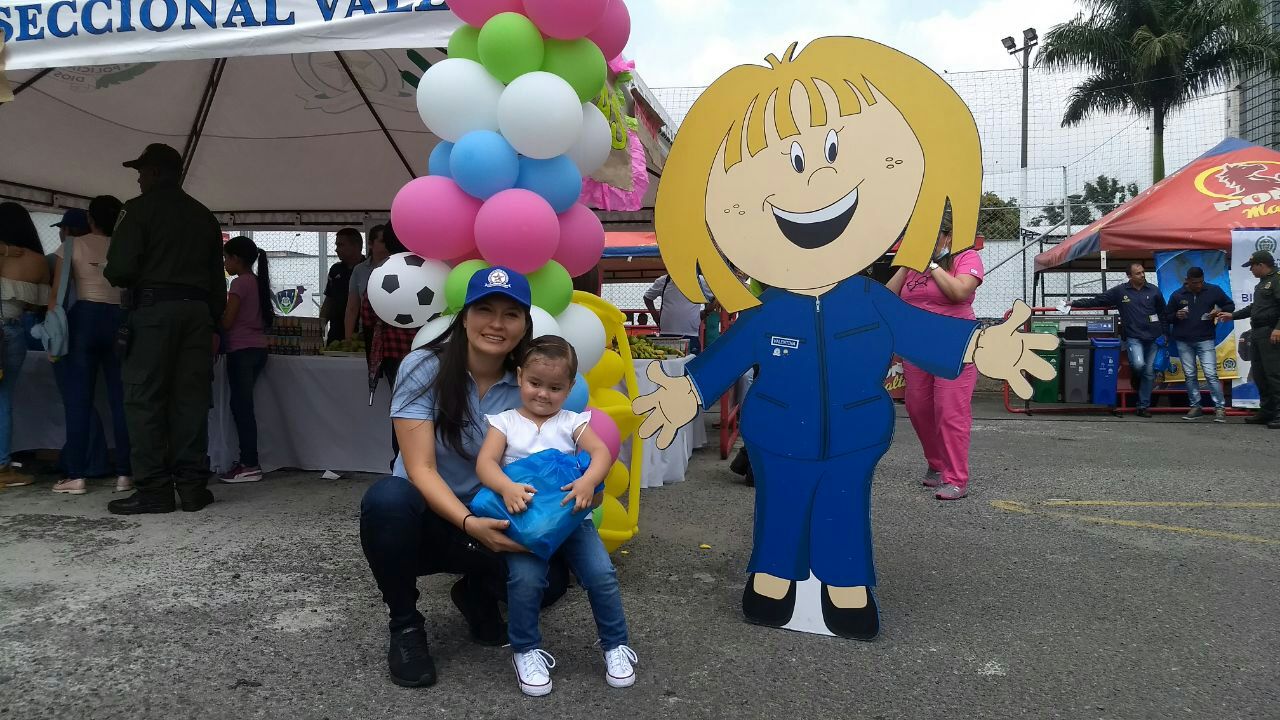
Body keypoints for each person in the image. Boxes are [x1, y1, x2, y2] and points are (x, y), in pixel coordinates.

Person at [633, 39, 1055, 642]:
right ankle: (772, 578)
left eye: (834, 151)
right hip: (777, 433)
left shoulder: (873, 299)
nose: (816, 180)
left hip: (855, 433)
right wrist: (683, 393)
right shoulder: (766, 311)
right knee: (780, 504)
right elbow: (726, 358)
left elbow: (928, 332)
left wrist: (985, 347)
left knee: (841, 506)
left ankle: (846, 586)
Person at [358, 266, 570, 689]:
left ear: (525, 324)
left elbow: (552, 462)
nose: (496, 323)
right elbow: (420, 469)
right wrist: (471, 525)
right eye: (484, 310)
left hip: (492, 513)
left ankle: (475, 593)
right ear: (464, 316)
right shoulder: (424, 366)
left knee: (555, 584)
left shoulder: (531, 383)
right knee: (387, 501)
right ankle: (405, 627)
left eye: (511, 314)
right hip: (427, 522)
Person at [476, 335, 636, 697]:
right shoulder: (504, 422)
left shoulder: (572, 422)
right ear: (519, 378)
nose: (543, 394)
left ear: (570, 388)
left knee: (601, 575)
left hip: (572, 518)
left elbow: (600, 453)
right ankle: (525, 649)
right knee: (526, 582)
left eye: (555, 387)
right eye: (535, 383)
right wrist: (506, 487)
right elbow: (485, 463)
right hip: (526, 525)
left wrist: (587, 483)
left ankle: (615, 644)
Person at [104, 143, 226, 515]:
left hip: (154, 312)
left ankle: (155, 490)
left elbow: (120, 269)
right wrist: (211, 320)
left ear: (156, 172)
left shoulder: (137, 209)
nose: (138, 179)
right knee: (190, 400)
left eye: (142, 172)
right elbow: (217, 282)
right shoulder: (204, 216)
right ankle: (192, 489)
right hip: (198, 315)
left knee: (144, 399)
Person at [886, 208, 984, 500]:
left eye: (931, 235)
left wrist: (932, 264)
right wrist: (906, 264)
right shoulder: (913, 267)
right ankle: (936, 464)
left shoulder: (966, 258)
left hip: (956, 344)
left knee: (949, 411)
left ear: (947, 236)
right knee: (917, 407)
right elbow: (887, 298)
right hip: (918, 345)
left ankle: (956, 478)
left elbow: (959, 293)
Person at [47, 196, 133, 495]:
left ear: (90, 219)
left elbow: (57, 294)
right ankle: (125, 473)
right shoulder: (126, 247)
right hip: (118, 320)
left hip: (83, 319)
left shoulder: (72, 245)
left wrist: (52, 335)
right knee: (121, 400)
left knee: (78, 400)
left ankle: (76, 475)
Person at [1069, 263, 1166, 417]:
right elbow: (1098, 300)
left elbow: (1162, 313)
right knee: (1139, 365)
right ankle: (1136, 377)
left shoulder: (1154, 290)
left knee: (1149, 373)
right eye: (1138, 273)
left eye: (1143, 272)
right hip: (1134, 337)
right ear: (1129, 276)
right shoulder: (1120, 291)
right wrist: (1074, 303)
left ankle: (1142, 406)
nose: (1142, 275)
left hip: (1154, 338)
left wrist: (1164, 334)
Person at [0, 202, 51, 488]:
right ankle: (2, 467)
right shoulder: (37, 262)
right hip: (13, 329)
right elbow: (36, 304)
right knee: (3, 398)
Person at [218, 236, 274, 483]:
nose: (225, 263)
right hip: (259, 348)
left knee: (241, 407)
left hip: (240, 350)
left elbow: (228, 321)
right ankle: (247, 461)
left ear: (236, 259)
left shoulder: (239, 284)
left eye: (226, 257)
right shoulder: (257, 281)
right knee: (245, 405)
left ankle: (249, 463)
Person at [361, 224, 417, 462]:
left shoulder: (380, 274)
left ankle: (401, 461)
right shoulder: (433, 270)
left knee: (404, 410)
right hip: (432, 352)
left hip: (394, 356)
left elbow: (367, 315)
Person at [1216, 251, 1280, 428]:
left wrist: (1278, 329)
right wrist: (1232, 315)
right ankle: (1267, 412)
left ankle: (1279, 414)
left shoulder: (1277, 279)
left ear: (1261, 265)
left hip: (1271, 332)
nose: (1251, 270)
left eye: (1252, 266)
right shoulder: (1262, 283)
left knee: (1274, 375)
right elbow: (1255, 308)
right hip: (1258, 333)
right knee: (1259, 375)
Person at [1165, 266, 1234, 422]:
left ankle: (1220, 409)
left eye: (1201, 282)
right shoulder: (1177, 295)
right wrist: (1176, 315)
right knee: (1190, 375)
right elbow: (1167, 316)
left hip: (1205, 339)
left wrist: (1217, 310)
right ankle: (1195, 407)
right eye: (1195, 283)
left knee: (1211, 374)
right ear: (1187, 281)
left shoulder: (1214, 290)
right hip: (1183, 341)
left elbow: (1230, 306)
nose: (1199, 285)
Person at [643, 273, 714, 354]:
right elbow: (647, 297)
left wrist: (705, 312)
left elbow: (716, 298)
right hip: (667, 335)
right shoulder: (664, 280)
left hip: (690, 335)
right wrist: (655, 317)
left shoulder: (700, 281)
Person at [321, 227, 364, 346]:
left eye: (340, 245)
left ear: (355, 246)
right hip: (336, 331)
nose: (336, 249)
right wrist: (320, 325)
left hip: (360, 333)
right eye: (336, 245)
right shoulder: (335, 270)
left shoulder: (368, 269)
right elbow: (329, 300)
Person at [344, 223, 386, 346]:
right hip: (368, 332)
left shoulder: (400, 267)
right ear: (370, 244)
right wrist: (348, 338)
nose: (387, 245)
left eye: (389, 241)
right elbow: (352, 307)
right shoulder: (359, 270)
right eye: (382, 241)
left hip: (394, 330)